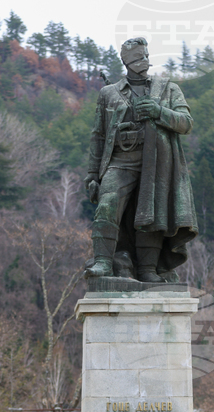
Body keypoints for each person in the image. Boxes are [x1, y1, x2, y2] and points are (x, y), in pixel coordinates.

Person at [84, 37, 197, 282]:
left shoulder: (168, 89)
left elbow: (186, 123)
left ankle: (148, 268)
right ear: (126, 61)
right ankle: (103, 262)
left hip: (157, 161)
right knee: (107, 204)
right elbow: (98, 136)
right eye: (137, 58)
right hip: (121, 160)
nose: (143, 61)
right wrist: (92, 175)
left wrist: (159, 112)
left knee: (152, 212)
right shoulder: (108, 93)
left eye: (145, 56)